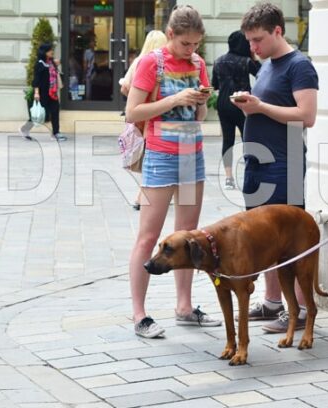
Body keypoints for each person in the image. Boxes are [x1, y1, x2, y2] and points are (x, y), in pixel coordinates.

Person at [125, 4, 221, 338]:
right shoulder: (153, 63)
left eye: (196, 44)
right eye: (185, 44)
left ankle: (184, 306)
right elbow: (132, 112)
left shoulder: (197, 64)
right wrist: (175, 98)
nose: (191, 50)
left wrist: (199, 104)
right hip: (161, 158)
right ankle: (139, 314)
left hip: (192, 157)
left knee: (188, 235)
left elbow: (200, 116)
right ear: (170, 35)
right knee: (149, 237)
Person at [231, 3, 319, 333]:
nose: (252, 47)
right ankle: (272, 303)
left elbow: (307, 115)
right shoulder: (267, 64)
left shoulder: (299, 66)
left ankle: (296, 311)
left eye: (257, 39)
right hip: (258, 161)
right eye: (249, 40)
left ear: (277, 31)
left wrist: (259, 106)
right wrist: (248, 105)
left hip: (286, 163)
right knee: (263, 238)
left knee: (290, 240)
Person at [119, 30, 168, 211]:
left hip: (140, 118)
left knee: (149, 157)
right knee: (153, 157)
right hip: (153, 118)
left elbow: (124, 86)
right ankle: (142, 196)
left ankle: (146, 195)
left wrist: (136, 97)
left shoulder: (139, 61)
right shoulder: (159, 63)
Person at [211, 31, 261, 189]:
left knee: (228, 140)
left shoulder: (218, 61)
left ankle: (228, 178)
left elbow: (215, 85)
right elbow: (263, 74)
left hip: (223, 105)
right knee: (248, 139)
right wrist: (255, 58)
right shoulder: (246, 61)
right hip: (242, 104)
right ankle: (249, 171)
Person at [19, 43, 67, 142]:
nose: (52, 52)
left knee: (55, 112)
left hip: (52, 92)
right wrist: (36, 93)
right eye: (50, 50)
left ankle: (56, 133)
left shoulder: (51, 62)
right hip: (42, 93)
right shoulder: (39, 64)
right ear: (44, 52)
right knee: (39, 115)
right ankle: (25, 129)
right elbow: (36, 80)